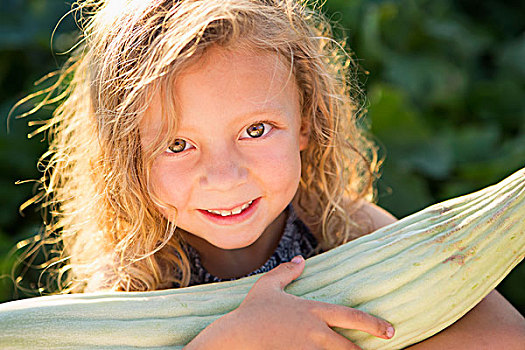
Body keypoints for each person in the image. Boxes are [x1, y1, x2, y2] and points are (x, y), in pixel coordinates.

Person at [20, 0, 524, 348]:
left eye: (256, 129)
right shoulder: (130, 288)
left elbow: (506, 339)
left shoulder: (346, 229)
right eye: (178, 144)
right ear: (127, 159)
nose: (223, 175)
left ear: (306, 124)